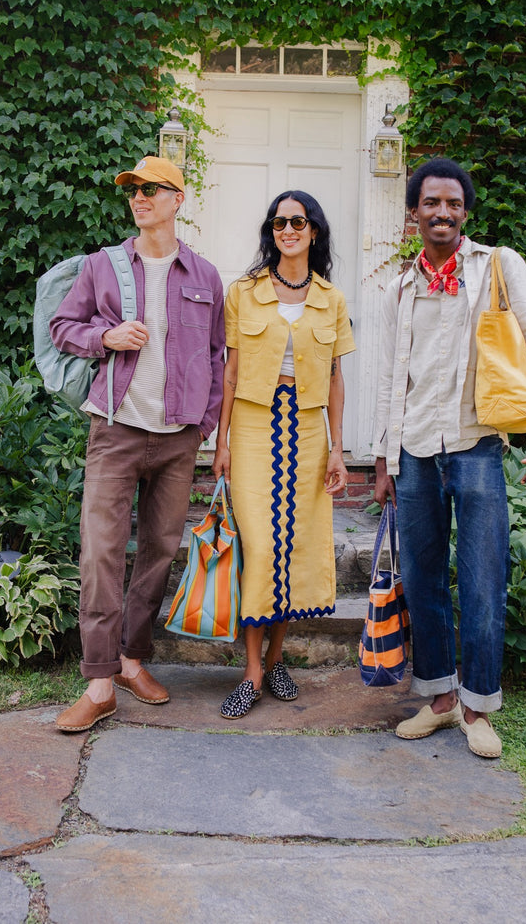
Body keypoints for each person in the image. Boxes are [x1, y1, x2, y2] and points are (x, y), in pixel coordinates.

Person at [373, 157, 526, 758]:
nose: (443, 212)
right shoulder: (399, 287)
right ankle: (439, 700)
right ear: (413, 212)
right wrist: (382, 458)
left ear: (465, 212)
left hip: (476, 444)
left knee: (483, 580)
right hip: (413, 451)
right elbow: (389, 379)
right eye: (431, 203)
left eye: (453, 203)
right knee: (423, 579)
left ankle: (478, 707)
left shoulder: (498, 267)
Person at [51, 155, 225, 732]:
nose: (139, 197)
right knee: (100, 551)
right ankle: (100, 682)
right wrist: (106, 335)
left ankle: (132, 662)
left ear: (178, 198)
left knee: (158, 551)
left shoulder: (205, 276)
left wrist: (203, 424)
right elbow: (62, 327)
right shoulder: (103, 266)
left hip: (177, 438)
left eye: (151, 188)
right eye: (132, 189)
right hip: (116, 429)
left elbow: (216, 356)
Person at [212, 191, 356, 718]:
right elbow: (230, 373)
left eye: (298, 222)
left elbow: (336, 379)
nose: (288, 230)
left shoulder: (331, 299)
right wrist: (221, 442)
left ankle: (276, 661)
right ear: (271, 232)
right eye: (279, 222)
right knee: (260, 548)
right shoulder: (243, 293)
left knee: (292, 546)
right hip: (254, 425)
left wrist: (338, 448)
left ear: (314, 231)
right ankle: (251, 672)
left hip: (308, 431)